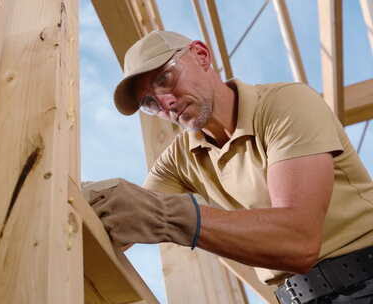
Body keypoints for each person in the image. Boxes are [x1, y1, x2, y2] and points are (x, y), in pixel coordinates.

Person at [87, 30, 373, 304]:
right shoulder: (178, 160)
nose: (166, 103)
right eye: (149, 102)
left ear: (201, 55)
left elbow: (300, 241)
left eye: (164, 79)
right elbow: (126, 216)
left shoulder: (284, 104)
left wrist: (172, 217)